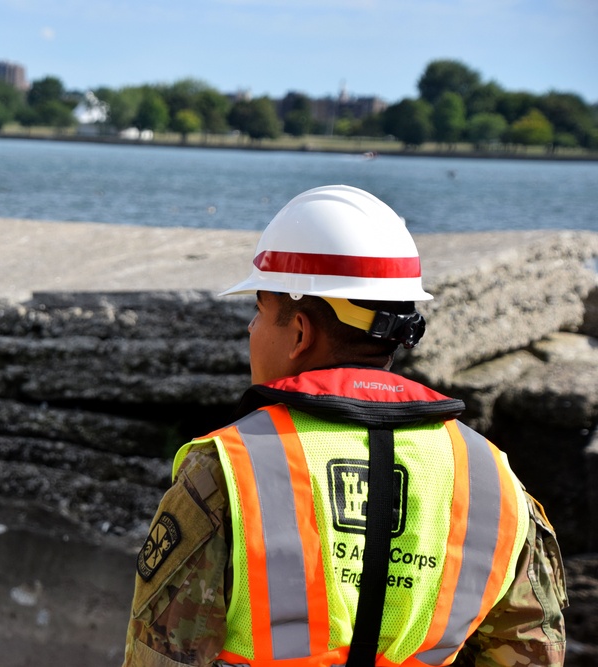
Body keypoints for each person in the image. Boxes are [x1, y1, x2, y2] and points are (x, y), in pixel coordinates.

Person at [122, 185, 567, 667]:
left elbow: (161, 657)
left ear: (299, 333)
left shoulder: (227, 469)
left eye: (259, 310)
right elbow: (533, 653)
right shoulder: (493, 480)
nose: (251, 330)